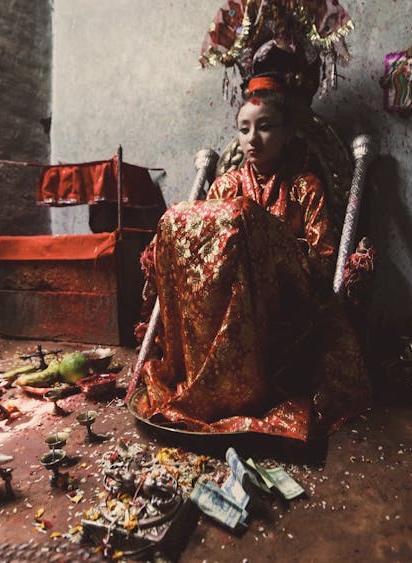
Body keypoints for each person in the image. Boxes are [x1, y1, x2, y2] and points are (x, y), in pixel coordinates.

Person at [136, 73, 370, 441]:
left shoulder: (304, 186)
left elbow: (323, 259)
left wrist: (267, 246)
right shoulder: (225, 185)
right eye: (244, 129)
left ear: (286, 133)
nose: (252, 139)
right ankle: (213, 386)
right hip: (227, 295)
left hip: (286, 296)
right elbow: (205, 256)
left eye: (264, 128)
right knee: (185, 221)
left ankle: (248, 388)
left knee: (242, 217)